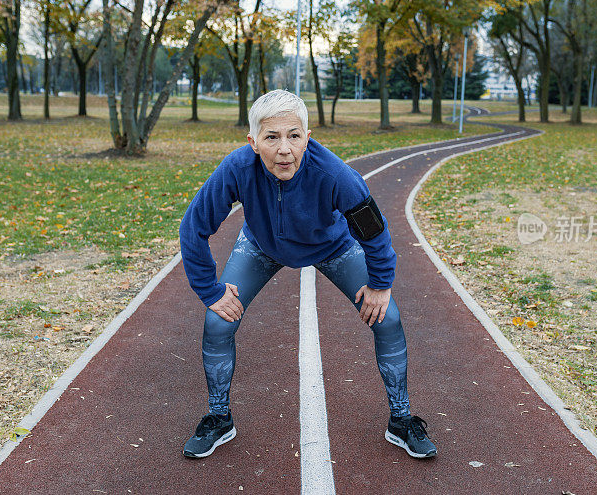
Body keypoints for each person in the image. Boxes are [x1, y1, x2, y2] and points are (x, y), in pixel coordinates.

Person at [178, 89, 437, 460]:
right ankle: (219, 417)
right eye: (271, 137)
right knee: (217, 321)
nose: (284, 149)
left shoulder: (335, 174)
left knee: (388, 317)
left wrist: (380, 284)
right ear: (252, 142)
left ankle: (401, 419)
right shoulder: (236, 168)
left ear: (307, 137)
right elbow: (194, 226)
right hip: (261, 246)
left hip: (330, 247)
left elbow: (375, 232)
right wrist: (210, 289)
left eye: (293, 136)